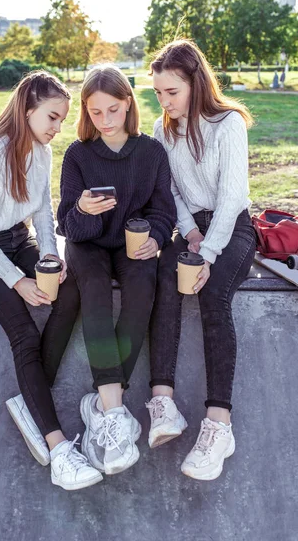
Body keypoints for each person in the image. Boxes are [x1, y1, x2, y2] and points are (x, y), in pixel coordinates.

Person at [0, 70, 102, 491]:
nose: (58, 128)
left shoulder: (41, 152)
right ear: (28, 108)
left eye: (61, 120)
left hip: (20, 238)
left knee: (71, 289)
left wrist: (52, 258)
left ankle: (29, 399)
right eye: (53, 118)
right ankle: (58, 450)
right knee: (22, 333)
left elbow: (42, 212)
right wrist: (19, 281)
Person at [57, 65, 176, 476]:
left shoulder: (151, 153)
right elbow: (68, 225)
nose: (105, 120)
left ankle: (103, 405)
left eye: (113, 109)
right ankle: (113, 409)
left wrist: (156, 239)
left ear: (128, 103)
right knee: (92, 290)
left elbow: (164, 211)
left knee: (143, 289)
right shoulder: (77, 155)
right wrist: (82, 210)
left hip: (131, 241)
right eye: (95, 112)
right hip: (87, 243)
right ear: (86, 113)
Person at [147, 39, 256, 481]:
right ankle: (164, 404)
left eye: (171, 92)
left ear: (195, 82)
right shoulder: (162, 128)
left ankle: (219, 425)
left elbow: (231, 200)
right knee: (162, 280)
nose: (164, 101)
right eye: (157, 92)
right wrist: (190, 233)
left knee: (213, 295)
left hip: (233, 228)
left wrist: (207, 251)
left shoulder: (228, 124)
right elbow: (170, 190)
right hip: (191, 226)